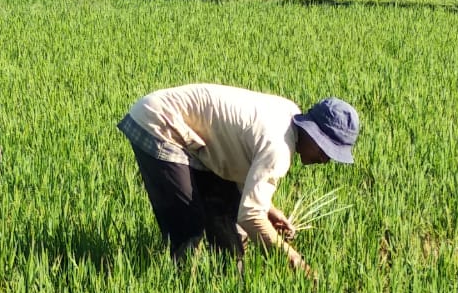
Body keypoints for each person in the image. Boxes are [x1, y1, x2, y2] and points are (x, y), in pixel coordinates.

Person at [118, 84, 359, 276]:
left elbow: (242, 164)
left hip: (193, 137)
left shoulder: (289, 115)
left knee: (225, 217)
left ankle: (230, 287)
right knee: (190, 229)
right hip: (159, 123)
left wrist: (269, 210)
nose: (325, 160)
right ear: (312, 133)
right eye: (325, 150)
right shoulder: (279, 148)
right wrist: (293, 258)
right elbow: (251, 216)